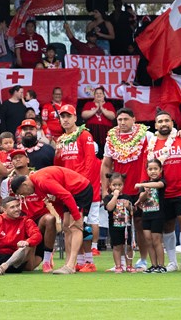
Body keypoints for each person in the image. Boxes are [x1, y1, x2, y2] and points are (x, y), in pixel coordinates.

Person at [11, 165, 93, 274]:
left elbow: (66, 195)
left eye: (22, 193)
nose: (25, 196)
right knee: (66, 228)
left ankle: (71, 265)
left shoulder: (41, 180)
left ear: (24, 185)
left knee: (75, 227)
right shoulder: (37, 186)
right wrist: (63, 218)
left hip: (79, 189)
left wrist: (77, 217)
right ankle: (68, 263)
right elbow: (55, 201)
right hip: (69, 194)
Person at [100, 108, 151, 270]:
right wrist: (104, 189)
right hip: (119, 189)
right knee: (119, 226)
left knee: (140, 224)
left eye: (126, 119)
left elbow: (166, 139)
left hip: (141, 187)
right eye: (119, 119)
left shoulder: (146, 135)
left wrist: (146, 185)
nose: (122, 122)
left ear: (134, 119)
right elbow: (106, 164)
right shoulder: (111, 138)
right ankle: (121, 263)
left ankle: (143, 259)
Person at [148, 112, 181, 273]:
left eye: (166, 121)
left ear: (172, 123)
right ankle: (172, 262)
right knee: (167, 225)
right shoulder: (151, 144)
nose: (163, 124)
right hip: (161, 193)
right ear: (155, 126)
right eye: (160, 121)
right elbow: (146, 168)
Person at [52, 104, 100, 272]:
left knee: (76, 224)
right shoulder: (61, 139)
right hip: (66, 189)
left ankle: (72, 264)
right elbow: (58, 165)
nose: (64, 119)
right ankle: (70, 262)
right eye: (62, 117)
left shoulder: (84, 135)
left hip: (79, 186)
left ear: (75, 118)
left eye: (68, 116)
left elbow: (90, 161)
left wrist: (82, 183)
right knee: (66, 225)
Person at [0, 150, 58, 272]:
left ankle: (47, 261)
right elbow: (4, 205)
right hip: (20, 221)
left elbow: (51, 195)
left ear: (28, 160)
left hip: (39, 217)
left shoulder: (37, 176)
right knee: (29, 267)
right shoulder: (6, 182)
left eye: (20, 157)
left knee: (49, 219)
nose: (17, 159)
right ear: (11, 163)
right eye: (14, 158)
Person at [135, 159, 166, 273]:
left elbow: (158, 185)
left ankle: (161, 266)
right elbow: (141, 198)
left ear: (160, 170)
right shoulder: (144, 184)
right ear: (147, 171)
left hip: (158, 215)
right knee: (148, 240)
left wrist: (143, 184)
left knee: (156, 240)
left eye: (155, 169)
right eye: (150, 169)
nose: (153, 171)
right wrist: (144, 192)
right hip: (146, 215)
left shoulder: (162, 181)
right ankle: (153, 265)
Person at [103, 173, 135, 273]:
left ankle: (129, 265)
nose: (117, 187)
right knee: (117, 246)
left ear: (123, 185)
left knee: (128, 246)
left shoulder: (127, 197)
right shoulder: (108, 197)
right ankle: (118, 266)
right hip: (114, 226)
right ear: (110, 185)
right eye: (114, 185)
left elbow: (133, 211)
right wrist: (115, 196)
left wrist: (129, 206)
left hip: (127, 226)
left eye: (119, 185)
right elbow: (109, 208)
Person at [80, 87, 116, 156]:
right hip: (92, 130)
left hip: (105, 131)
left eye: (100, 93)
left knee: (106, 150)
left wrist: (102, 108)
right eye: (96, 93)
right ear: (94, 95)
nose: (98, 95)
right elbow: (84, 115)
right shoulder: (89, 104)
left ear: (104, 95)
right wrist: (96, 109)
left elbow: (112, 116)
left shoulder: (109, 104)